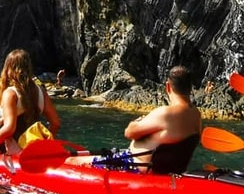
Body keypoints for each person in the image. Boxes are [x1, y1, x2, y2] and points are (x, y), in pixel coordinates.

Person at [66, 66, 201, 174]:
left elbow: (130, 133)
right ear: (190, 88)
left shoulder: (165, 113)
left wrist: (136, 122)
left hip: (135, 167)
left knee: (71, 160)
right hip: (170, 171)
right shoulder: (196, 115)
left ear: (168, 87)